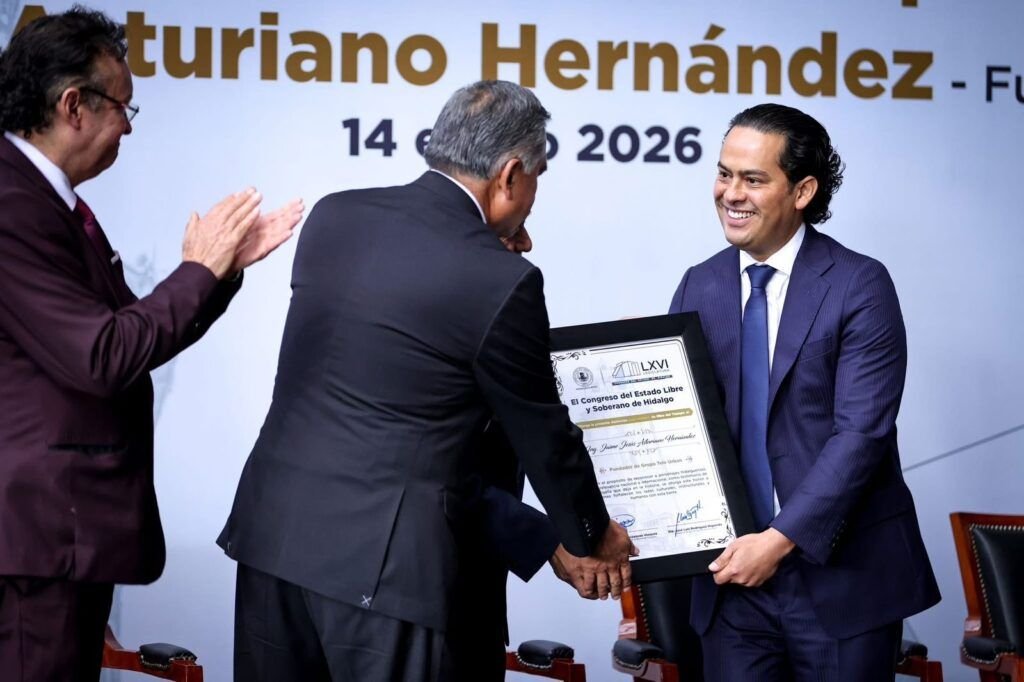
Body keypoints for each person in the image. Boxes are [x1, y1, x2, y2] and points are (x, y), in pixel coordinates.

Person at [218, 79, 635, 682]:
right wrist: (591, 535)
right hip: (388, 580)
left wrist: (485, 244)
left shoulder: (336, 215)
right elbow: (544, 435)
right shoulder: (499, 280)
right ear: (510, 175)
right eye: (537, 177)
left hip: (274, 544)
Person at [0, 7, 302, 681]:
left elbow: (130, 339)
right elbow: (103, 356)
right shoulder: (13, 203)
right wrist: (197, 270)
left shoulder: (47, 200)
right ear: (73, 105)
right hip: (38, 539)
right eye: (123, 108)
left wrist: (217, 274)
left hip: (59, 540)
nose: (129, 129)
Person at [668, 103, 940, 681]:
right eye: (724, 174)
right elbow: (678, 426)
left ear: (803, 191)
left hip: (842, 578)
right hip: (731, 581)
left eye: (753, 179)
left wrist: (778, 540)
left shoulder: (859, 284)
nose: (730, 193)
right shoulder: (699, 284)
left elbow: (861, 435)